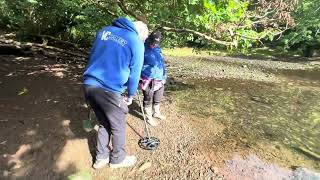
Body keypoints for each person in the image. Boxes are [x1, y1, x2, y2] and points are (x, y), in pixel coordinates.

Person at [83, 17, 148, 169]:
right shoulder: (135, 41)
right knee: (118, 124)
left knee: (104, 122)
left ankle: (101, 158)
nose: (143, 42)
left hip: (89, 85)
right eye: (144, 39)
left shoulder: (104, 31)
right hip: (108, 89)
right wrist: (131, 94)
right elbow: (135, 72)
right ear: (141, 33)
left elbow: (95, 56)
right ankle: (118, 159)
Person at [140, 30, 167, 127]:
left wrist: (164, 75)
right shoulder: (142, 48)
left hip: (159, 78)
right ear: (150, 39)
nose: (154, 45)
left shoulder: (158, 48)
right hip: (147, 78)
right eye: (153, 43)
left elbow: (162, 63)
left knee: (158, 97)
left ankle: (156, 113)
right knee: (148, 98)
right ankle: (149, 118)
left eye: (156, 43)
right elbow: (137, 63)